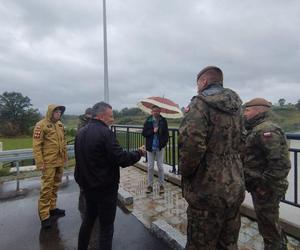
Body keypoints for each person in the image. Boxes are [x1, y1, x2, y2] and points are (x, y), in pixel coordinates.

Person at [178, 66, 245, 249]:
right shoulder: (237, 107)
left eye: (198, 83)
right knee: (228, 243)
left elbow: (191, 148)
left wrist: (185, 174)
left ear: (204, 82)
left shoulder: (200, 104)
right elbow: (242, 143)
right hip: (234, 186)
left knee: (201, 244)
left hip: (207, 190)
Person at [74, 101, 146, 250]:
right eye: (111, 116)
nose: (113, 119)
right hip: (105, 188)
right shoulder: (105, 133)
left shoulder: (81, 132)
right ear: (101, 116)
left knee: (88, 219)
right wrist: (139, 153)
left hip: (88, 186)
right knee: (106, 228)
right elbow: (121, 158)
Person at [243, 98, 291, 250]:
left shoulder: (266, 130)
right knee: (269, 222)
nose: (245, 114)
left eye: (248, 110)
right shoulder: (258, 128)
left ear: (259, 110)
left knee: (268, 225)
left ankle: (277, 247)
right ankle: (281, 244)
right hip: (261, 186)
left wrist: (263, 186)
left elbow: (280, 164)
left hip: (266, 188)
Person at [33, 104, 68, 229]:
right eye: (56, 111)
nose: (58, 113)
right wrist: (40, 163)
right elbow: (37, 146)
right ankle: (44, 216)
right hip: (48, 162)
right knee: (46, 188)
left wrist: (65, 157)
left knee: (55, 185)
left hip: (59, 161)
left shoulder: (60, 125)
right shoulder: (41, 125)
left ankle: (52, 208)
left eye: (60, 112)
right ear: (50, 112)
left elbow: (63, 142)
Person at [142, 105, 169, 194]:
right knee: (150, 167)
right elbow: (144, 133)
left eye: (157, 111)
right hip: (150, 147)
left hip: (159, 147)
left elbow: (166, 134)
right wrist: (152, 131)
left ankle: (161, 185)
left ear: (160, 111)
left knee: (160, 167)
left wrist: (164, 143)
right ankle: (150, 186)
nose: (155, 112)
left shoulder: (163, 121)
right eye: (154, 111)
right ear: (151, 111)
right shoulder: (148, 121)